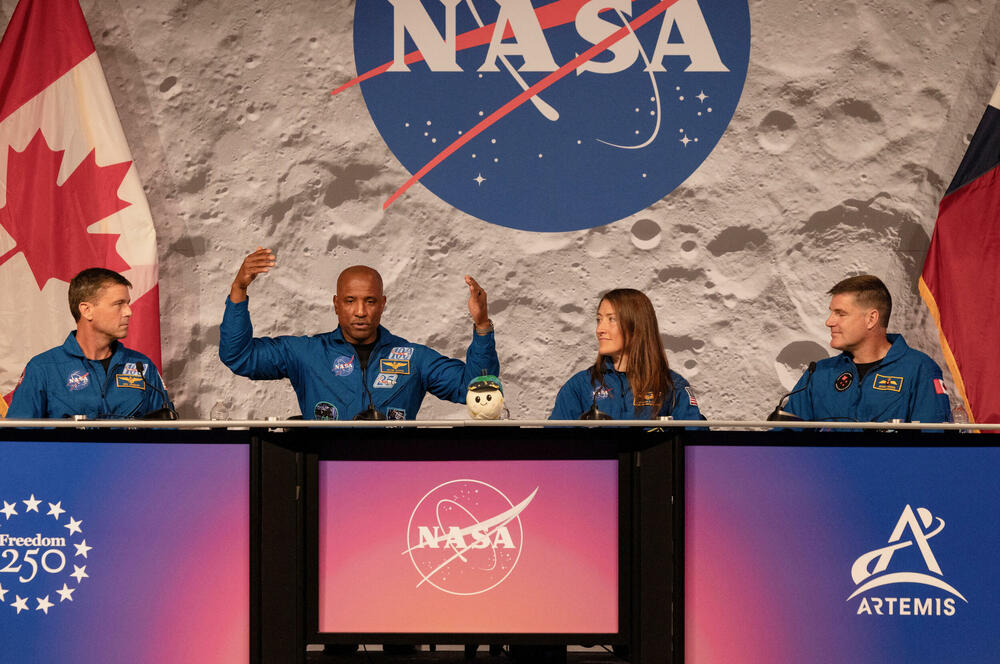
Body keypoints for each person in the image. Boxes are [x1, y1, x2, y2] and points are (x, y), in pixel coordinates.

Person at [219, 247, 500, 419]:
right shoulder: (306, 353)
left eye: (370, 301)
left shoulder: (414, 358)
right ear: (336, 304)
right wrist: (239, 289)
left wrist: (482, 326)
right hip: (325, 477)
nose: (361, 311)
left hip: (394, 477)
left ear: (383, 304)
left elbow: (476, 389)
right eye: (350, 301)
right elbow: (239, 356)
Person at [6, 268, 174, 419]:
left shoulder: (143, 367)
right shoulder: (43, 369)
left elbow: (165, 434)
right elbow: (17, 437)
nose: (128, 312)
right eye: (118, 304)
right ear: (87, 310)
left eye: (128, 303)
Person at [784, 275, 952, 423]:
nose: (829, 322)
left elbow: (933, 442)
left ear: (871, 319)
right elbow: (784, 438)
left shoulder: (919, 370)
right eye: (832, 313)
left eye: (840, 314)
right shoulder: (818, 373)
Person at [550, 288, 703, 420]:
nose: (599, 329)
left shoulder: (671, 385)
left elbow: (696, 440)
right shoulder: (579, 386)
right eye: (599, 320)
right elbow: (554, 441)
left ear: (637, 325)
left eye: (611, 319)